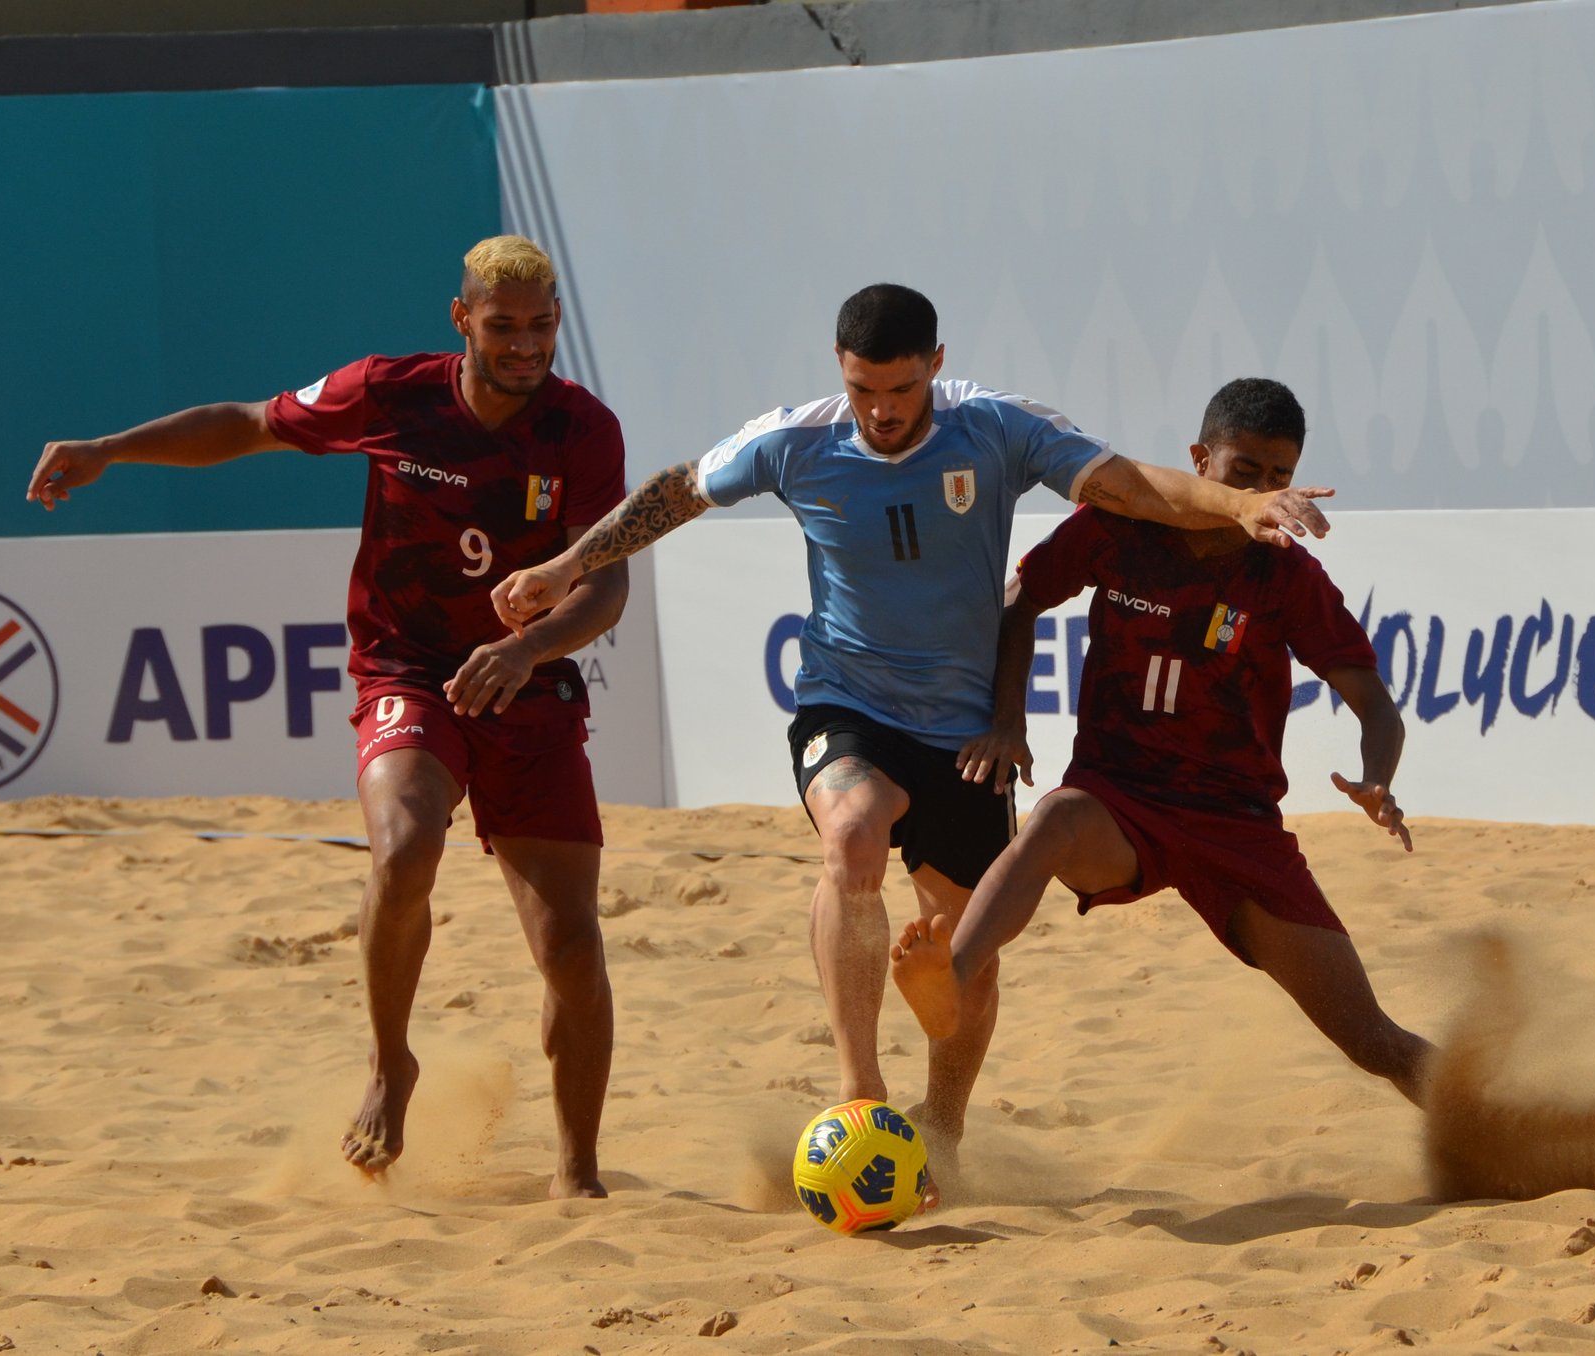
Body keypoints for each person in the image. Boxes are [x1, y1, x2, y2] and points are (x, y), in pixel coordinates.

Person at [491, 286, 1337, 1167]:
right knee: (852, 836)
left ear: (935, 365)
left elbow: (1130, 487)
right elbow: (676, 493)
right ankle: (861, 1095)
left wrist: (1237, 504)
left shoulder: (996, 427)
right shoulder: (795, 440)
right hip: (847, 702)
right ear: (840, 368)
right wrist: (565, 564)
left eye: (900, 390)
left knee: (957, 948)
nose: (882, 412)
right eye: (864, 390)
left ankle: (944, 1129)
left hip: (963, 734)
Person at [25, 236, 626, 1193]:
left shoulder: (583, 430)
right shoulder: (390, 392)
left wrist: (524, 649)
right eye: (504, 325)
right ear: (461, 318)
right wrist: (110, 449)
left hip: (527, 682)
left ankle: (579, 1174)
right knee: (400, 849)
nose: (525, 344)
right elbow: (246, 423)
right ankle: (392, 1063)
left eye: (542, 325)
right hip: (410, 667)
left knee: (570, 945)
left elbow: (605, 592)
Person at [891, 377, 1433, 1111]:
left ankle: (1503, 1129)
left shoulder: (1287, 576)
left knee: (1374, 1042)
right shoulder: (1119, 528)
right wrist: (1008, 721)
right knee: (1053, 820)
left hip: (1235, 828)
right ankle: (949, 980)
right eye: (1246, 472)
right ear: (1199, 460)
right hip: (1120, 801)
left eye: (1280, 477)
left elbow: (1375, 706)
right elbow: (1022, 604)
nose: (1265, 492)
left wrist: (1378, 780)